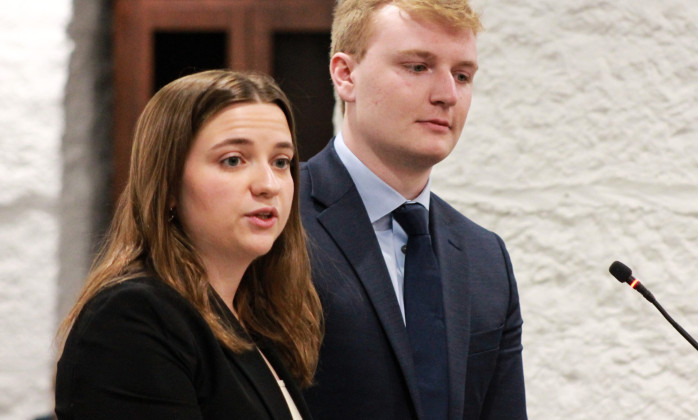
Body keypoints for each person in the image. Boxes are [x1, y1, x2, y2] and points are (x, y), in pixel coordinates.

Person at [300, 0, 527, 419]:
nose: (447, 95)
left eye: (462, 75)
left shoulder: (485, 257)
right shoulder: (277, 220)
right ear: (345, 75)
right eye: (418, 67)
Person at [55, 70, 322, 420]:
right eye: (233, 160)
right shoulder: (132, 317)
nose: (268, 184)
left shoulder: (254, 319)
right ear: (167, 185)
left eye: (281, 162)